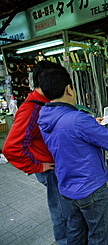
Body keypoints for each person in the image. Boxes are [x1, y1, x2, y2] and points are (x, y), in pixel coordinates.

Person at [37, 68, 108, 245]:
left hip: (65, 186)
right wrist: (93, 126)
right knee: (99, 237)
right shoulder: (78, 119)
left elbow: (68, 137)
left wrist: (90, 126)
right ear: (68, 89)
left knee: (75, 235)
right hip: (91, 188)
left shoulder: (44, 117)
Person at [2, 60, 69, 245]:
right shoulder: (31, 108)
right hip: (50, 169)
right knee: (60, 211)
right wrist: (37, 165)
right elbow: (11, 148)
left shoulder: (47, 101)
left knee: (66, 208)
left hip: (59, 165)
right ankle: (64, 241)